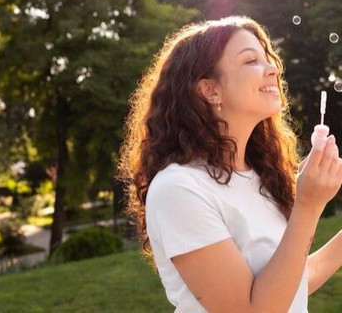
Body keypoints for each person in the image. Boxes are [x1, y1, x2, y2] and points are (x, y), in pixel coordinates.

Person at [118, 16, 342, 312]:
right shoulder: (179, 189)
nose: (273, 69)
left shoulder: (260, 176)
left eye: (267, 59)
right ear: (210, 90)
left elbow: (288, 285)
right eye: (251, 61)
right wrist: (308, 205)